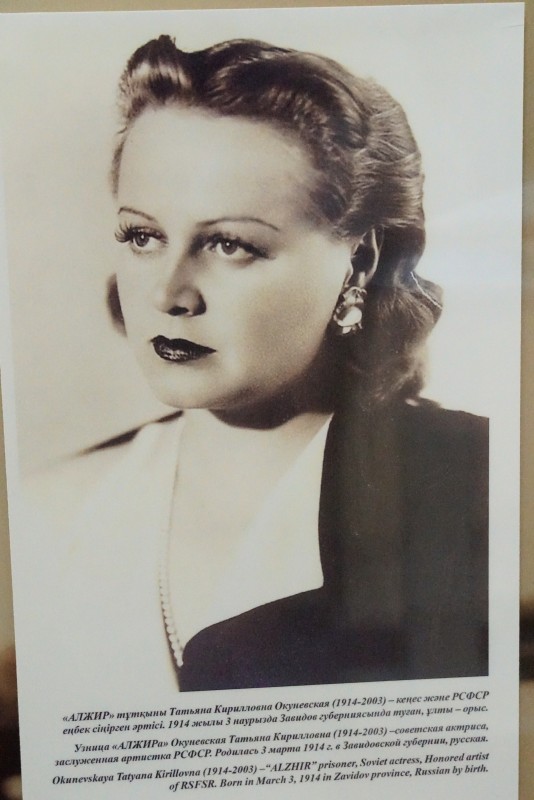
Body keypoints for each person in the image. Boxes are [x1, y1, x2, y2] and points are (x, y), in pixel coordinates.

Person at [38, 35, 489, 694]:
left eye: (230, 244)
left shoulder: (481, 490)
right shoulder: (49, 515)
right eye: (143, 236)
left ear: (360, 263)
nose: (168, 293)